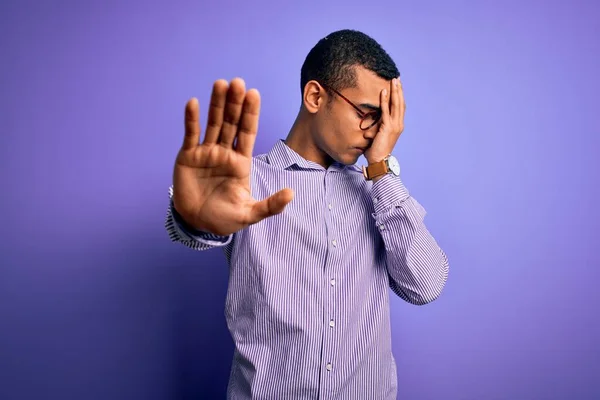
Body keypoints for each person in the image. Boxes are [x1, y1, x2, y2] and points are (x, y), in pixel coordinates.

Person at [165, 29, 449, 400]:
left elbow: (425, 285)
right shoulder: (244, 182)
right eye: (367, 114)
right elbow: (197, 227)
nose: (374, 133)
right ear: (315, 96)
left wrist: (381, 169)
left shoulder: (379, 192)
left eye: (384, 122)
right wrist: (196, 219)